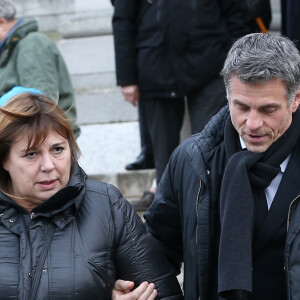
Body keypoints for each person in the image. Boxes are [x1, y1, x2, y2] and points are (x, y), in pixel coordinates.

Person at [114, 33, 300, 299]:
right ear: (227, 96)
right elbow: (155, 250)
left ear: (295, 100)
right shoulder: (191, 161)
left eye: (268, 110)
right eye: (242, 107)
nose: (252, 123)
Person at [0, 86, 183, 299]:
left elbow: (164, 294)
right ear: (4, 160)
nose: (49, 165)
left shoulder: (107, 206)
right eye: (31, 154)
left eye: (57, 149)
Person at [112, 0, 250, 210]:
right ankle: (166, 208)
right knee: (164, 151)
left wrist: (234, 61)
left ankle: (209, 205)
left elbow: (238, 14)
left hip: (211, 63)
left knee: (210, 144)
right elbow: (123, 20)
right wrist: (127, 77)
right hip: (155, 65)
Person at [0, 0, 80, 138]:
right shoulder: (13, 49)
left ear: (2, 23)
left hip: (40, 144)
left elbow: (41, 104)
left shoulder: (31, 44)